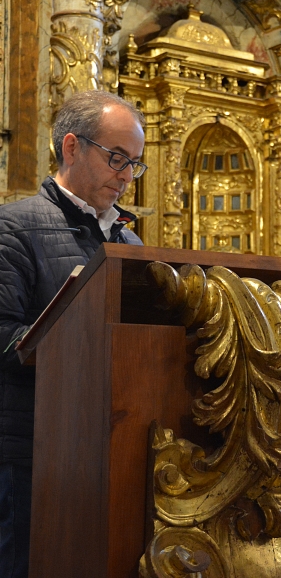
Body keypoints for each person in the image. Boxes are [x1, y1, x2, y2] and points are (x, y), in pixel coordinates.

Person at [0, 90, 146, 577]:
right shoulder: (14, 228)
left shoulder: (129, 242)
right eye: (117, 159)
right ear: (71, 147)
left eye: (134, 164)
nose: (126, 177)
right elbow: (4, 338)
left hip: (108, 449)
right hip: (31, 453)